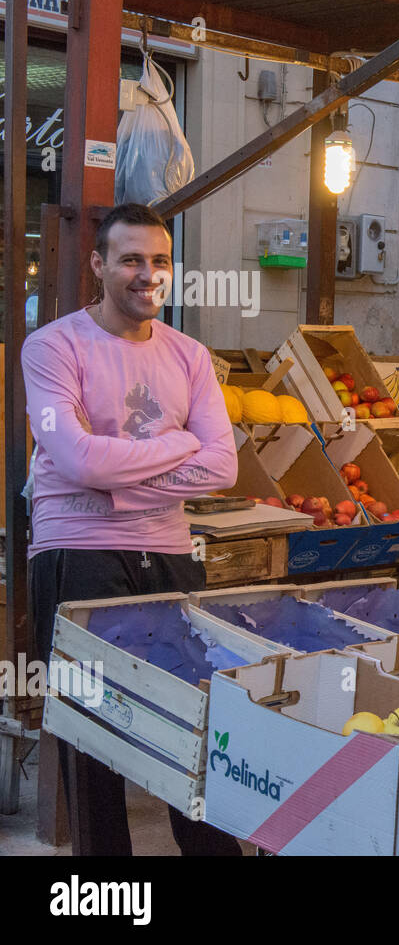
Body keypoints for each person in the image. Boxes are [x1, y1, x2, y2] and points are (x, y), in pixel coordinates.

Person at [23, 203, 241, 855]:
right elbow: (77, 459)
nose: (147, 275)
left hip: (169, 553)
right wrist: (177, 445)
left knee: (193, 726)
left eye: (160, 261)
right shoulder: (53, 347)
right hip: (77, 549)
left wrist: (118, 475)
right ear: (98, 264)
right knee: (93, 742)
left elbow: (223, 466)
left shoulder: (191, 357)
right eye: (131, 260)